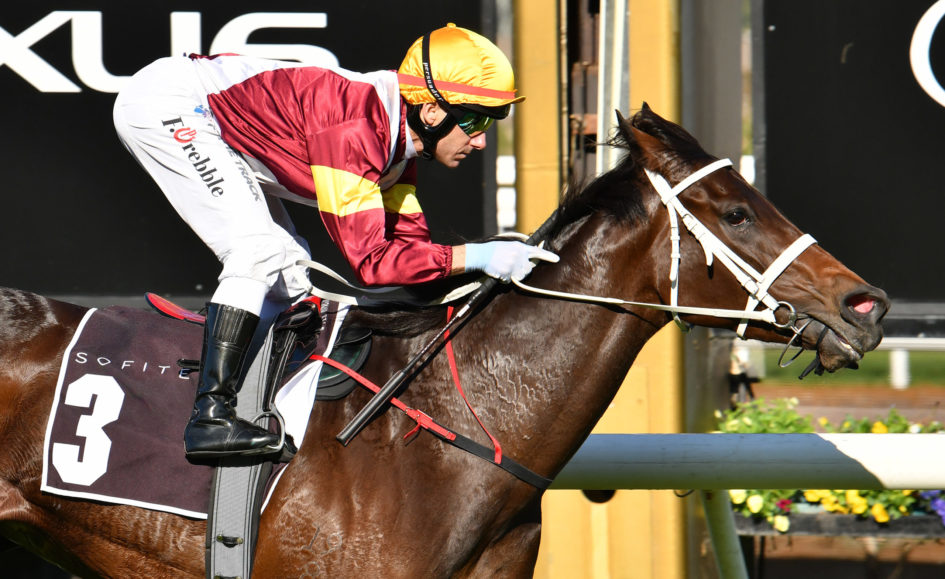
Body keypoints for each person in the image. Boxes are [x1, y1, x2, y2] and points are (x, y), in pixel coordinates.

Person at [113, 23, 558, 459]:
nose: (481, 141)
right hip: (170, 104)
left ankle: (248, 394)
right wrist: (482, 255)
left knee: (291, 274)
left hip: (214, 119)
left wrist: (490, 268)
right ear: (432, 111)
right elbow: (374, 264)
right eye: (476, 120)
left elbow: (414, 258)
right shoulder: (356, 130)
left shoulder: (398, 150)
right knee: (257, 252)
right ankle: (210, 419)